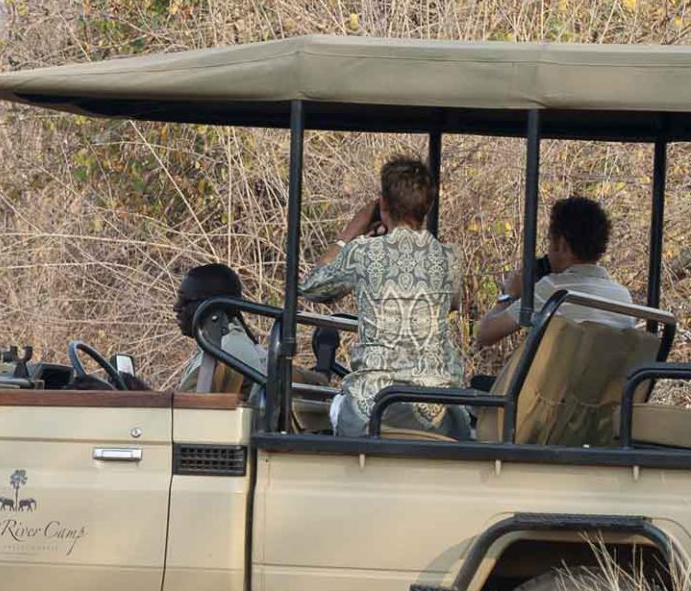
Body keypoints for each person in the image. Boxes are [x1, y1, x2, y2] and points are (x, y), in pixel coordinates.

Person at [299, 155, 466, 436]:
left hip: (371, 408)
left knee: (336, 406)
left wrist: (351, 233)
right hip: (437, 413)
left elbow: (311, 286)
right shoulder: (450, 258)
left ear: (383, 204)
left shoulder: (363, 252)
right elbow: (450, 303)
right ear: (429, 205)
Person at [474, 195, 633, 349]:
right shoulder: (623, 297)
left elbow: (484, 335)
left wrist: (509, 294)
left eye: (549, 241)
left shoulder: (553, 290)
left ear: (562, 245)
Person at [172, 263, 266, 394]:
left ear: (213, 306)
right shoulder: (217, 346)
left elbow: (190, 409)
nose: (176, 307)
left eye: (185, 300)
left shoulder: (229, 350)